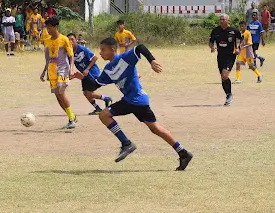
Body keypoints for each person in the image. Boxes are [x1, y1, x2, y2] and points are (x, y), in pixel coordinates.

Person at [95, 37, 193, 170]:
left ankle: (126, 143)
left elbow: (140, 48)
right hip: (136, 101)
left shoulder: (124, 58)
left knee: (104, 115)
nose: (100, 53)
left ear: (112, 50)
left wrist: (151, 60)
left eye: (103, 50)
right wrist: (81, 75)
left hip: (134, 100)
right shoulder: (108, 68)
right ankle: (183, 153)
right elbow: (97, 83)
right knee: (155, 128)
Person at [40, 16, 77, 129]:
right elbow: (48, 59)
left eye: (49, 27)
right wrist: (43, 72)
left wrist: (71, 69)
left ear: (55, 27)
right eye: (47, 28)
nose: (48, 30)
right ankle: (71, 116)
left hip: (63, 70)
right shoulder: (46, 41)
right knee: (58, 96)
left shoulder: (64, 39)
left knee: (61, 92)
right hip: (51, 72)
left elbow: (71, 56)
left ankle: (71, 119)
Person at [67, 33, 113, 115]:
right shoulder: (69, 52)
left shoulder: (82, 49)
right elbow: (71, 63)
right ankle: (98, 108)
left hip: (92, 73)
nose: (70, 41)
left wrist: (87, 69)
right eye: (69, 40)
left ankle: (106, 99)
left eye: (72, 39)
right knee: (86, 93)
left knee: (89, 93)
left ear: (76, 40)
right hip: (85, 75)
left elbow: (95, 57)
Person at [209, 14, 242, 106]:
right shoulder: (216, 30)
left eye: (223, 19)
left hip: (230, 56)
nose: (221, 21)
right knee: (223, 78)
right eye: (220, 19)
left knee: (224, 75)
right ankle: (228, 94)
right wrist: (212, 47)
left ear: (228, 20)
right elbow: (211, 41)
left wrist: (238, 48)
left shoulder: (234, 31)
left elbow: (241, 39)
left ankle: (229, 95)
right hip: (220, 56)